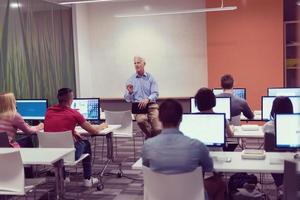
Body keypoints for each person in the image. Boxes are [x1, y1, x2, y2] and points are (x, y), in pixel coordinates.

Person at [142, 99, 226, 200]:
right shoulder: (197, 146)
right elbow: (209, 167)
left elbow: (147, 167)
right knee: (220, 183)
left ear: (159, 118)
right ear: (181, 119)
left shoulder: (147, 146)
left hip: (160, 195)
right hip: (191, 195)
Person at [44, 88, 108, 187]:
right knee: (86, 143)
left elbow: (58, 126)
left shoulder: (49, 111)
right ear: (70, 100)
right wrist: (103, 126)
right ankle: (87, 179)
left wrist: (73, 132)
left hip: (51, 154)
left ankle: (63, 177)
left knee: (60, 145)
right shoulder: (74, 113)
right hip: (69, 155)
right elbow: (93, 131)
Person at [124, 56, 161, 139]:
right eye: (135, 63)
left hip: (151, 105)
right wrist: (130, 92)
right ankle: (150, 138)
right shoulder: (131, 80)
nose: (136, 65)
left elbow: (155, 93)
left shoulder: (151, 78)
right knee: (141, 121)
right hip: (139, 107)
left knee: (158, 128)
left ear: (144, 64)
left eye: (138, 62)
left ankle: (149, 139)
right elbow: (127, 99)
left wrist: (147, 99)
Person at [262, 96, 293, 192]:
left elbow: (267, 149)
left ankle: (280, 185)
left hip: (274, 163)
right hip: (293, 161)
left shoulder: (268, 126)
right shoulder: (295, 124)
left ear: (273, 109)